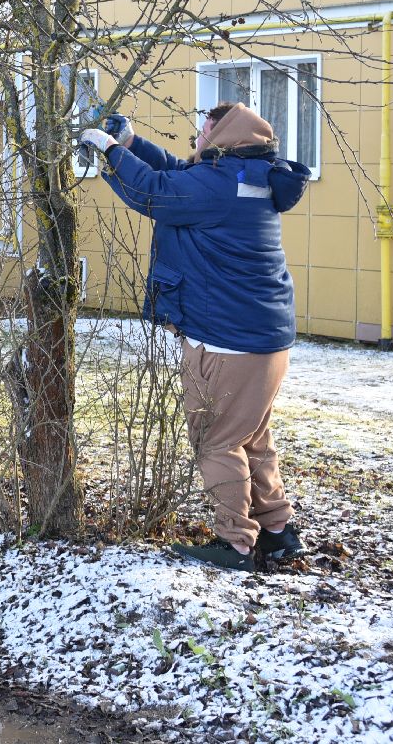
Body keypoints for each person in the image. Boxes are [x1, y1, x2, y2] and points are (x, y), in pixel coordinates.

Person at [78, 104, 310, 572]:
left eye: (204, 133)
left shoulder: (219, 185)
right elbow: (181, 174)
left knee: (216, 441)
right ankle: (279, 533)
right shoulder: (251, 176)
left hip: (228, 341)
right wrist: (132, 145)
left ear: (224, 136)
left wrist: (106, 150)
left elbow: (155, 192)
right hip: (263, 339)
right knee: (251, 439)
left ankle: (237, 544)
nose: (197, 139)